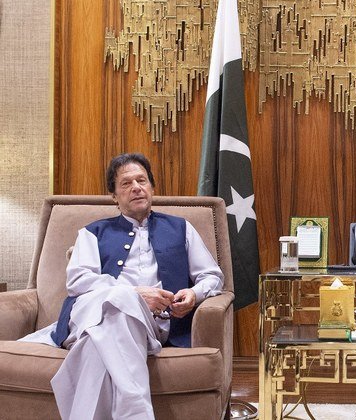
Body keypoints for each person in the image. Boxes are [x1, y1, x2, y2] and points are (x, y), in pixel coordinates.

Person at [24, 153, 224, 419]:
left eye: (142, 180)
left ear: (152, 188)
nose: (136, 187)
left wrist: (194, 293)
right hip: (91, 314)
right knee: (121, 302)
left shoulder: (181, 228)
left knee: (96, 344)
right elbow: (79, 282)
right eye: (126, 183)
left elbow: (212, 275)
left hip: (153, 324)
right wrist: (134, 294)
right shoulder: (92, 232)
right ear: (114, 196)